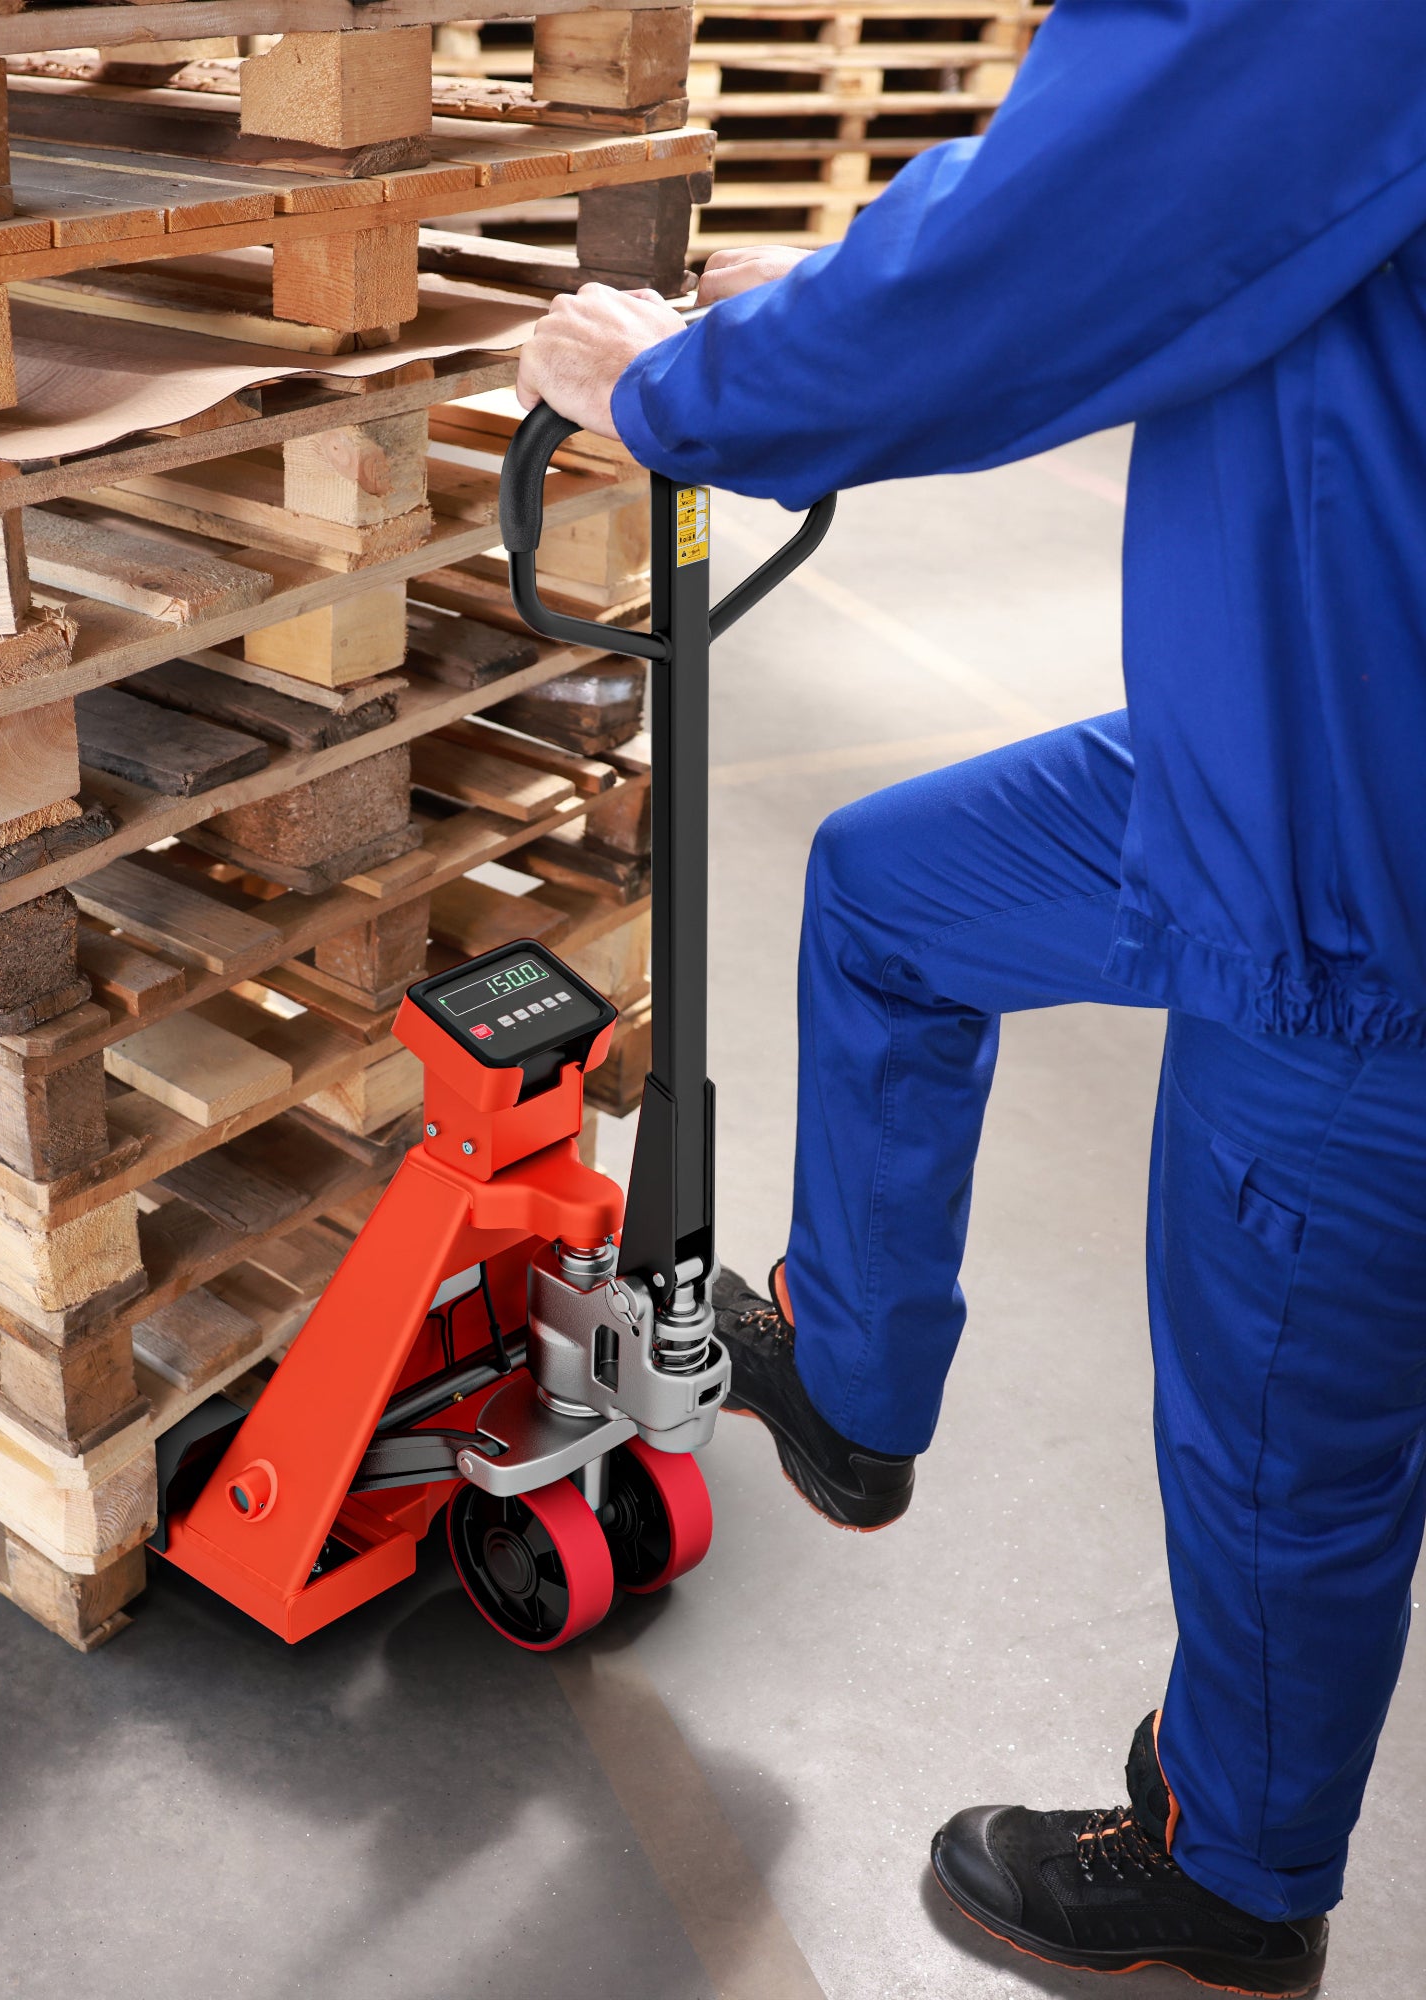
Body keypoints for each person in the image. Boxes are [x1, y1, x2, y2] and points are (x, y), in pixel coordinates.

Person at [515, 2, 1426, 1993]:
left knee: (1284, 1427)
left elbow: (1063, 247)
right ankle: (850, 1383)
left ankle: (1233, 1875)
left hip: (1367, 878)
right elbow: (1169, 206)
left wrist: (678, 388)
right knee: (891, 892)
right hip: (1282, 729)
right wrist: (828, 293)